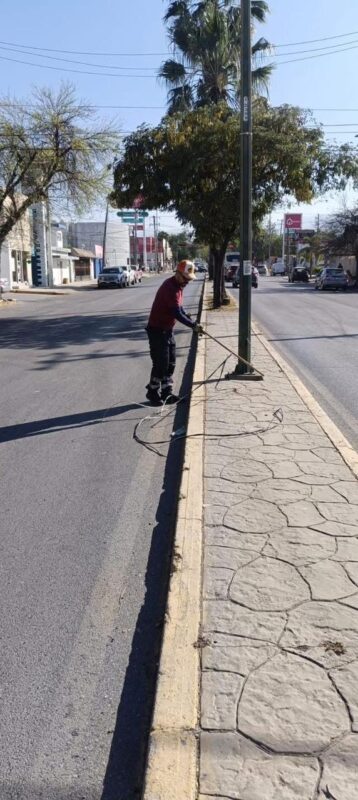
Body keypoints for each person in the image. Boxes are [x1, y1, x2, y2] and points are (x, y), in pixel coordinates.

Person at [145, 260, 203, 405]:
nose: (187, 282)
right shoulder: (170, 288)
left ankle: (167, 392)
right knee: (161, 364)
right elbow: (176, 312)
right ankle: (152, 392)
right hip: (157, 331)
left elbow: (180, 308)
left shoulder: (178, 286)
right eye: (186, 278)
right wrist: (193, 325)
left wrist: (188, 318)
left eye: (189, 279)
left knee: (170, 362)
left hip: (167, 330)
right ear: (178, 274)